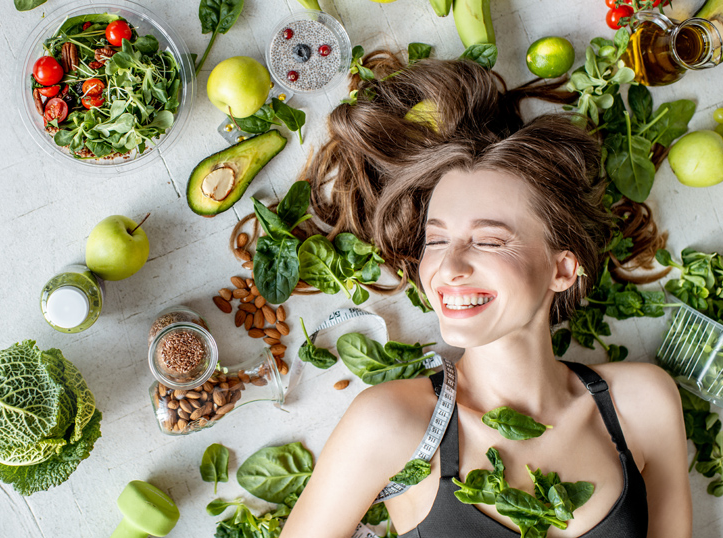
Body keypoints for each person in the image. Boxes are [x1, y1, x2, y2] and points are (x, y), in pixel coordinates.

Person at [280, 55, 691, 538]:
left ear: (562, 268)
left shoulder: (644, 402)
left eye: (490, 240)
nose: (449, 269)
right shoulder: (390, 423)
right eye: (436, 241)